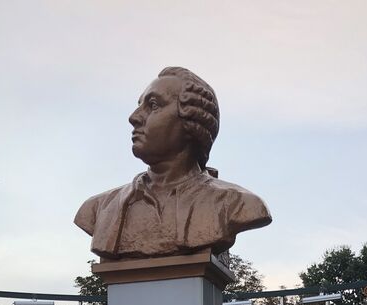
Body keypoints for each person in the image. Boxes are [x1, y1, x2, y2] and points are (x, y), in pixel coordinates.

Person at [75, 66, 271, 259]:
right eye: (139, 105)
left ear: (192, 121)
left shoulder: (235, 202)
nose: (134, 117)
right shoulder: (98, 208)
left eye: (153, 105)